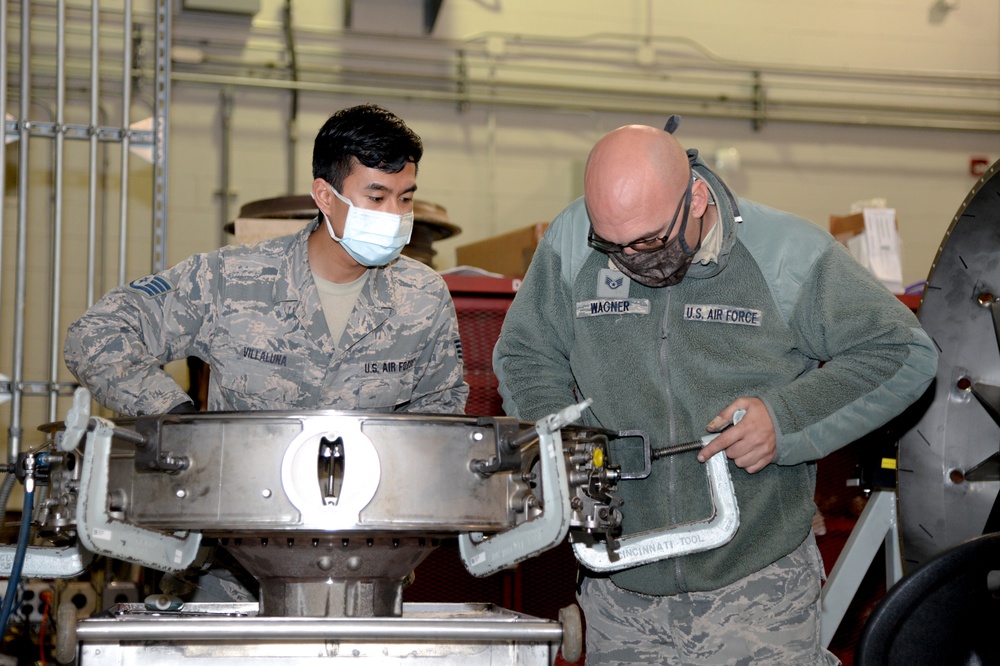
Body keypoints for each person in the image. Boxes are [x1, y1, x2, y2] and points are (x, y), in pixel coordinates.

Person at [493, 117, 937, 665]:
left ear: (697, 197)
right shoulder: (569, 242)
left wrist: (786, 418)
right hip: (620, 591)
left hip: (757, 588)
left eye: (651, 240)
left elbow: (901, 350)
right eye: (612, 245)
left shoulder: (784, 254)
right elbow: (525, 355)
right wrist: (565, 442)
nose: (631, 260)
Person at [65, 103, 468, 417]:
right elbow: (96, 334)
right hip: (249, 513)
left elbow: (440, 412)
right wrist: (172, 413)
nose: (394, 214)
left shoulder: (423, 296)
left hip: (370, 515)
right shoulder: (227, 280)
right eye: (376, 198)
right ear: (326, 196)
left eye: (406, 198)